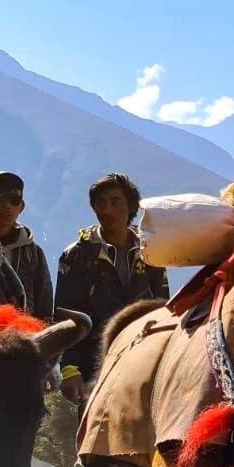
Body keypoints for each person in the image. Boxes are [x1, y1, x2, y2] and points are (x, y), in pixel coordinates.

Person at [55, 172, 168, 407]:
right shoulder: (77, 255)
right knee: (97, 439)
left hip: (144, 359)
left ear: (131, 206)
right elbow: (66, 315)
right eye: (100, 203)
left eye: (115, 201)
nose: (107, 209)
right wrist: (69, 369)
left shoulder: (151, 250)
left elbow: (163, 308)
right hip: (94, 365)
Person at [0, 170, 54, 321]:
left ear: (22, 206)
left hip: (20, 337)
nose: (7, 206)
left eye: (14, 200)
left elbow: (44, 307)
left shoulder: (34, 253)